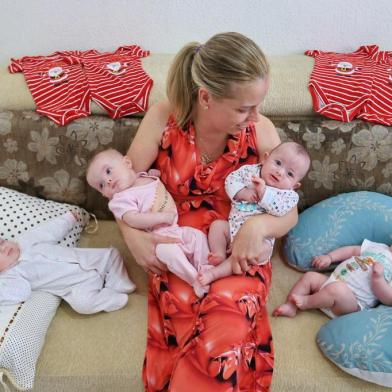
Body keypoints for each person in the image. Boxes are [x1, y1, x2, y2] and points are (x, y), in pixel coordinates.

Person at [119, 32, 298, 390]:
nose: (255, 116)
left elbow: (289, 210)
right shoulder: (164, 118)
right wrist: (132, 237)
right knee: (186, 310)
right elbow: (124, 187)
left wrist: (259, 226)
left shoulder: (260, 131)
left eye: (257, 105)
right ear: (206, 98)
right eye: (244, 107)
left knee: (227, 325)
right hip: (178, 246)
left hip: (236, 246)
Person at [86, 148, 210, 297]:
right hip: (157, 240)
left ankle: (205, 268)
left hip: (176, 230)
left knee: (198, 236)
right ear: (103, 194)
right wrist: (161, 217)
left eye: (108, 171)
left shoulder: (143, 177)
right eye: (101, 185)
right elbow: (133, 219)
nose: (108, 180)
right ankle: (194, 278)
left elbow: (153, 188)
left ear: (127, 162)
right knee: (169, 253)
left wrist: (154, 175)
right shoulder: (120, 200)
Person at [199, 141, 310, 286]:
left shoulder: (288, 196)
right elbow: (231, 181)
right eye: (278, 163)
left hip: (257, 242)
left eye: (290, 174)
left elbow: (280, 210)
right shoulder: (249, 172)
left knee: (262, 250)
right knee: (217, 226)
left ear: (294, 185)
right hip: (232, 228)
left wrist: (263, 193)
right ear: (265, 158)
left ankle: (216, 273)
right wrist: (243, 192)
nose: (280, 172)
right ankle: (219, 253)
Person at [0, 211, 135, 314]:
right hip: (77, 284)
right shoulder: (11, 277)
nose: (4, 248)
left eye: (2, 242)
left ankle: (118, 282)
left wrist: (68, 219)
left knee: (111, 255)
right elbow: (20, 293)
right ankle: (113, 298)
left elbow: (48, 231)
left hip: (86, 259)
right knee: (82, 305)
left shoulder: (24, 241)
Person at [273, 239, 392, 319]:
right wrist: (330, 257)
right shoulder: (377, 247)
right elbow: (351, 250)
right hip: (333, 281)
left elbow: (388, 299)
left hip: (352, 303)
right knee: (310, 277)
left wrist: (378, 279)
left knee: (337, 289)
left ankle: (306, 302)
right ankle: (291, 306)